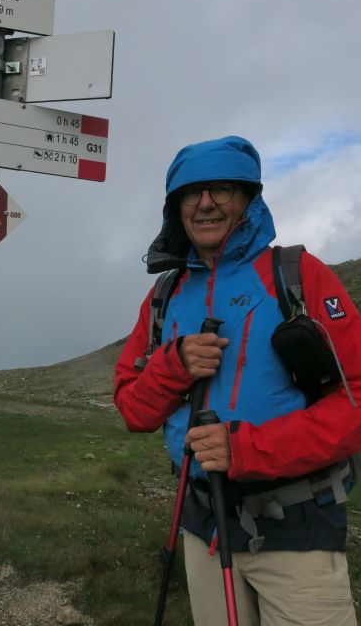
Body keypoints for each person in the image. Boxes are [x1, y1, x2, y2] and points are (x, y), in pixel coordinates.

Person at [114, 135, 361, 625]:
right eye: (191, 193)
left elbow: (355, 397)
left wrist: (246, 450)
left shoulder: (297, 275)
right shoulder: (166, 296)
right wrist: (172, 365)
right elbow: (133, 410)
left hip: (299, 529)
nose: (205, 204)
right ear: (176, 208)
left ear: (249, 199)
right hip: (204, 526)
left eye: (222, 189)